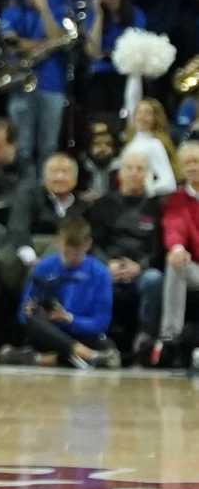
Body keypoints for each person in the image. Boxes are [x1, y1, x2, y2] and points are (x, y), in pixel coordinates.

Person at [9, 217, 118, 368]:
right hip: (48, 333)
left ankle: (40, 359)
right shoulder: (43, 267)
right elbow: (23, 315)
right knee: (33, 319)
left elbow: (101, 323)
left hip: (80, 333)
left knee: (109, 350)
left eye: (77, 253)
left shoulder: (100, 273)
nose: (72, 258)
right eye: (67, 253)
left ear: (87, 245)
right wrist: (30, 310)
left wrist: (70, 319)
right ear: (58, 242)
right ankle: (84, 354)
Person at [86, 151, 164, 360]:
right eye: (129, 168)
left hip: (141, 271)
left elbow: (157, 248)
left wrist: (140, 266)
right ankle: (98, 337)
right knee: (97, 276)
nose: (134, 173)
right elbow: (93, 243)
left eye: (140, 169)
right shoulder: (103, 204)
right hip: (109, 267)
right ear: (120, 173)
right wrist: (107, 265)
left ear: (147, 174)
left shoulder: (155, 207)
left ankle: (145, 337)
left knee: (154, 279)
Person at [2, 0, 72, 171]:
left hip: (52, 85)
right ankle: (25, 190)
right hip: (20, 84)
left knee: (49, 146)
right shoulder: (12, 12)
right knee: (22, 146)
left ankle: (45, 192)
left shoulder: (58, 12)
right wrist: (48, 45)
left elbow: (58, 37)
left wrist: (44, 10)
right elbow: (11, 42)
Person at [0, 152, 88, 299]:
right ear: (44, 177)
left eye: (65, 172)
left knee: (59, 249)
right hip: (27, 245)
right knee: (6, 258)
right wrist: (32, 259)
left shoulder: (83, 206)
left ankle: (32, 307)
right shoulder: (28, 195)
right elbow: (18, 227)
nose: (59, 177)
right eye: (54, 171)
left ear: (75, 179)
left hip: (64, 251)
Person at [156, 141, 199, 366]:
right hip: (194, 268)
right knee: (175, 262)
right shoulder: (177, 200)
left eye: (197, 162)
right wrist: (177, 248)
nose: (192, 167)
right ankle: (170, 337)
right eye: (188, 163)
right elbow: (174, 226)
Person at [84, 0, 145, 116]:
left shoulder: (135, 13)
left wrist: (108, 53)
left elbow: (138, 44)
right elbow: (92, 51)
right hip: (100, 75)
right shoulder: (93, 17)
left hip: (126, 74)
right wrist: (99, 15)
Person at [121, 98, 177, 196]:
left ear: (155, 118)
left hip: (144, 203)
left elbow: (169, 183)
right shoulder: (129, 144)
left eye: (147, 113)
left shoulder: (155, 144)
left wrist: (145, 190)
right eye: (139, 112)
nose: (142, 117)